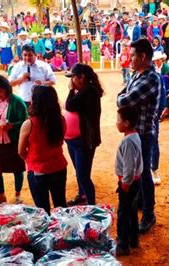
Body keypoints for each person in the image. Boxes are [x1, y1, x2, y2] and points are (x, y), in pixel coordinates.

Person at [117, 38, 161, 233]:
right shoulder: (137, 74)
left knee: (143, 175)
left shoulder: (150, 78)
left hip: (144, 134)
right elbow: (124, 94)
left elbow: (125, 100)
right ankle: (142, 203)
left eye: (133, 55)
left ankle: (149, 214)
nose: (130, 58)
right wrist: (123, 97)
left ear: (143, 56)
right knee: (137, 171)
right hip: (136, 133)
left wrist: (122, 99)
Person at [18, 85, 68, 214]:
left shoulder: (29, 124)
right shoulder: (61, 120)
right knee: (60, 205)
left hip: (37, 170)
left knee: (42, 209)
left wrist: (31, 160)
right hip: (58, 166)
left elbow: (21, 151)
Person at [63, 64, 103, 206]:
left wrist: (71, 90)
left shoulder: (88, 91)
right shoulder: (85, 90)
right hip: (75, 140)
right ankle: (82, 195)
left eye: (73, 77)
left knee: (83, 175)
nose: (72, 80)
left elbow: (69, 105)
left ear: (82, 77)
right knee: (80, 172)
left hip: (84, 140)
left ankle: (91, 205)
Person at [0, 75, 27, 204]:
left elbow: (25, 121)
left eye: (0, 91)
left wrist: (12, 126)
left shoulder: (17, 102)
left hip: (13, 141)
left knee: (17, 168)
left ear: (7, 89)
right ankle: (1, 194)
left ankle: (18, 194)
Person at [114, 106, 143, 256]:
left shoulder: (128, 142)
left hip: (129, 184)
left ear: (126, 123)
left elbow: (130, 167)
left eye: (118, 120)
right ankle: (133, 239)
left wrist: (125, 184)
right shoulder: (133, 136)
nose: (116, 122)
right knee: (131, 211)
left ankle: (123, 245)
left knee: (124, 214)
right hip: (134, 182)